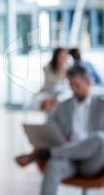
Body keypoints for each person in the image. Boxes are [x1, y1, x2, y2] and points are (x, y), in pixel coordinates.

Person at [16, 66, 104, 195]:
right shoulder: (62, 106)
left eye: (77, 85)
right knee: (53, 164)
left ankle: (47, 153)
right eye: (70, 85)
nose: (73, 90)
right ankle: (49, 153)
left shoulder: (101, 106)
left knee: (100, 138)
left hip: (91, 163)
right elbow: (48, 130)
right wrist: (58, 138)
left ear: (88, 82)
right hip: (67, 159)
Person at [32, 48, 69, 114]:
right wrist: (60, 72)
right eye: (61, 56)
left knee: (61, 100)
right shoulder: (47, 67)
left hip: (62, 92)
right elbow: (53, 84)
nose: (63, 59)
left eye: (64, 57)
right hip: (48, 91)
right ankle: (50, 120)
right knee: (49, 102)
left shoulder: (67, 66)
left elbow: (67, 83)